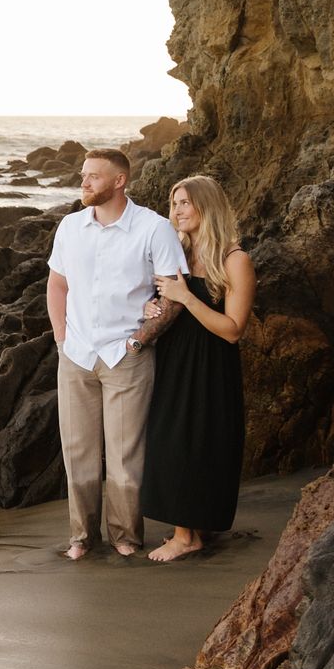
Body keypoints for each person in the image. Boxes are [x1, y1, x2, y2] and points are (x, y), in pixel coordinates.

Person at [45, 148, 188, 560]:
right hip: (76, 354)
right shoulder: (70, 227)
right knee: (78, 453)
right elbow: (57, 284)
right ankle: (81, 537)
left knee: (126, 455)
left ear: (120, 181)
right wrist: (61, 338)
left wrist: (140, 340)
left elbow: (174, 292)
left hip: (127, 355)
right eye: (83, 174)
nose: (84, 182)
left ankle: (125, 536)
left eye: (93, 176)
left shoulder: (153, 228)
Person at [141, 175, 254, 562]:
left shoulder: (235, 260)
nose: (176, 211)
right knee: (169, 439)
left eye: (185, 202)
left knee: (200, 442)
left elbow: (233, 330)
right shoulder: (178, 255)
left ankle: (187, 536)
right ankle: (188, 528)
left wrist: (186, 298)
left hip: (210, 364)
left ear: (207, 205)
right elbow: (162, 301)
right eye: (174, 204)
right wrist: (151, 307)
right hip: (174, 358)